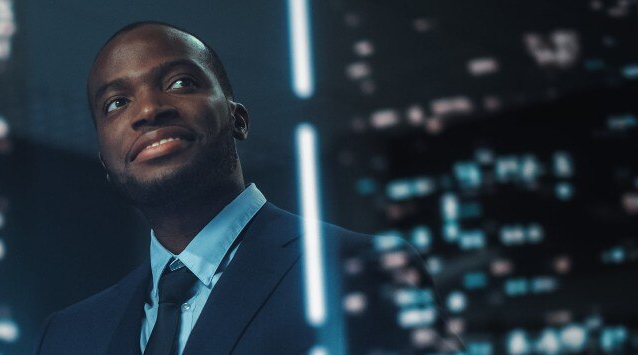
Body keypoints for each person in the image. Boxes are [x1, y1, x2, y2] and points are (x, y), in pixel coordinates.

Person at [33, 21, 461, 354]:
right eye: (116, 103)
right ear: (105, 163)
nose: (148, 109)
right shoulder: (69, 336)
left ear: (238, 119)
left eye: (180, 82)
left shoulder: (361, 272)